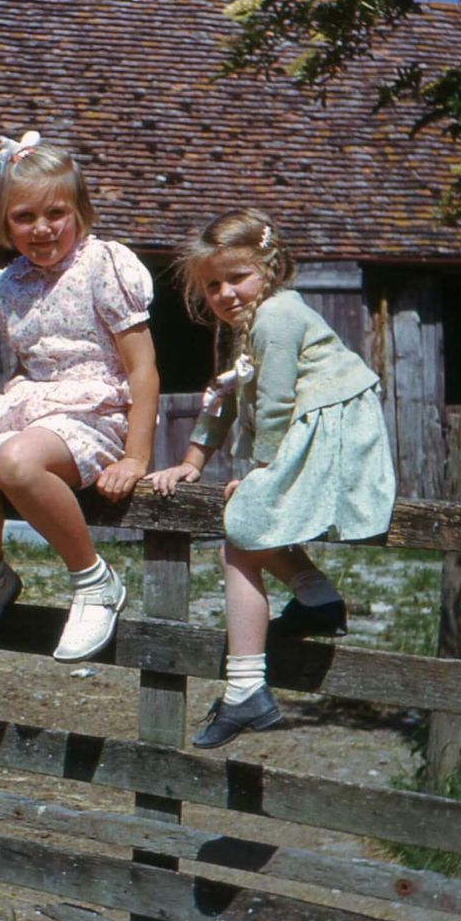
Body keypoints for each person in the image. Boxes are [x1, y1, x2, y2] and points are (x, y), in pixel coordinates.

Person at [149, 208, 395, 748]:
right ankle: (315, 596)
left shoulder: (277, 317)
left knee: (241, 536)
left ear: (272, 266)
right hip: (308, 432)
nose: (225, 293)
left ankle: (246, 691)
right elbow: (226, 398)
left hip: (334, 434)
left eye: (237, 278)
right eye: (212, 285)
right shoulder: (240, 330)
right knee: (248, 531)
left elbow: (279, 401)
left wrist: (262, 473)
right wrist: (193, 461)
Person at [0, 132, 159, 665]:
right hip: (38, 407)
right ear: (4, 224)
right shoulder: (7, 285)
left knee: (15, 461)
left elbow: (143, 368)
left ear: (80, 211)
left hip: (96, 414)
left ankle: (93, 579)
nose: (42, 229)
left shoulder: (104, 264)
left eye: (56, 212)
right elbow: (31, 366)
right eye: (24, 217)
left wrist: (137, 457)